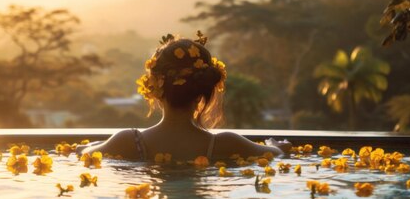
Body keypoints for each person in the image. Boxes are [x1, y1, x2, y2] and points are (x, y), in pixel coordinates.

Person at [81, 32, 290, 161]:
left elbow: (85, 152)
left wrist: (93, 145)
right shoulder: (225, 144)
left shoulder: (128, 141)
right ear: (203, 91)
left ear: (154, 87)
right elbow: (279, 153)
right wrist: (274, 145)